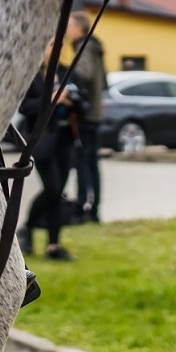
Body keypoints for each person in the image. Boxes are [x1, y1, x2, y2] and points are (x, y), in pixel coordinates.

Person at [17, 54, 79, 262]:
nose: (56, 49)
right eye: (52, 44)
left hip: (65, 138)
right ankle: (27, 227)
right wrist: (52, 98)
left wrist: (73, 101)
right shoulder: (31, 73)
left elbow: (82, 99)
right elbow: (26, 108)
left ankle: (53, 245)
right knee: (52, 188)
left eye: (59, 45)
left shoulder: (63, 71)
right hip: (42, 139)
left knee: (57, 192)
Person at [66, 13, 107, 222]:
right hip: (94, 112)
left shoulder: (85, 47)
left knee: (83, 162)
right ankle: (94, 208)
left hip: (86, 114)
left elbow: (85, 73)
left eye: (70, 25)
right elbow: (104, 80)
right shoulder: (95, 47)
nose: (67, 29)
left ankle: (84, 209)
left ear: (80, 28)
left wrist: (66, 75)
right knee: (91, 162)